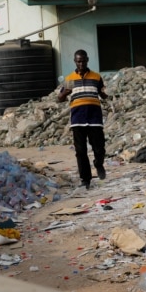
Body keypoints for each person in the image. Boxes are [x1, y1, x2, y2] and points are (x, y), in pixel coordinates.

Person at [57, 49, 108, 190]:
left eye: (83, 61)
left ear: (87, 60)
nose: (81, 64)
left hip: (94, 118)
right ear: (75, 61)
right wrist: (65, 93)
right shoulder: (69, 79)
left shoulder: (96, 77)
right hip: (78, 119)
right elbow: (59, 98)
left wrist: (106, 94)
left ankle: (98, 164)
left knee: (99, 148)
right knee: (81, 151)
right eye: (78, 61)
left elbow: (103, 93)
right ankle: (86, 180)